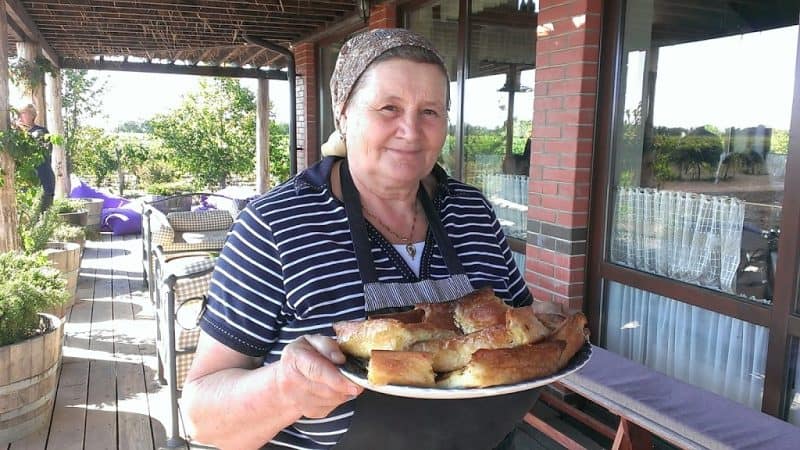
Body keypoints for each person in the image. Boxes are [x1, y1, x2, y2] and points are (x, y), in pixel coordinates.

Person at [183, 28, 535, 450]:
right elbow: (201, 418)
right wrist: (282, 389)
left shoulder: (471, 212)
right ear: (344, 114)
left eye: (430, 111)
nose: (411, 130)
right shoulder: (277, 225)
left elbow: (523, 333)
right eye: (389, 108)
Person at [16, 103, 55, 212]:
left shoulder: (41, 132)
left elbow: (44, 152)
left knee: (44, 214)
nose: (20, 116)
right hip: (27, 183)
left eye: (23, 113)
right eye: (19, 114)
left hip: (44, 179)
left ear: (32, 115)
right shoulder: (17, 135)